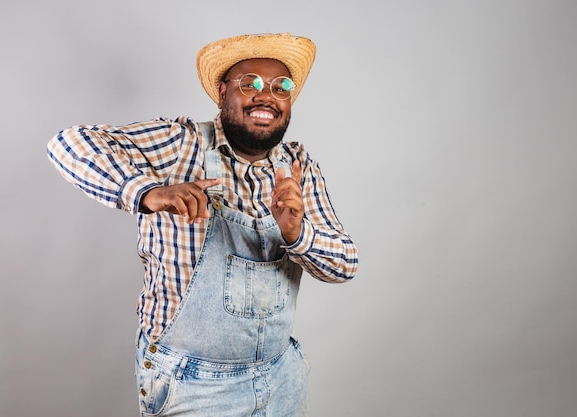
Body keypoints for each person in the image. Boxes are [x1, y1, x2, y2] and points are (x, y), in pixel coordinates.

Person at [47, 33, 358, 417]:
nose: (266, 96)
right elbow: (68, 144)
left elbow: (344, 265)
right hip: (192, 383)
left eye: (281, 87)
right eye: (250, 84)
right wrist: (147, 192)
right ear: (223, 92)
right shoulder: (183, 144)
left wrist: (297, 234)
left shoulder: (297, 168)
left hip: (281, 379)